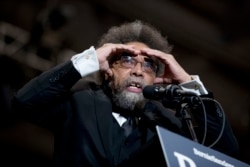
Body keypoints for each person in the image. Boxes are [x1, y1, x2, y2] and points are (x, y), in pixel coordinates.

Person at [11, 20, 239, 167]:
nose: (139, 70)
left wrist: (188, 83)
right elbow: (24, 102)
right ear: (109, 69)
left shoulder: (169, 124)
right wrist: (89, 59)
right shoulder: (79, 101)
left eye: (149, 65)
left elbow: (224, 153)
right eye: (127, 60)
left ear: (155, 78)